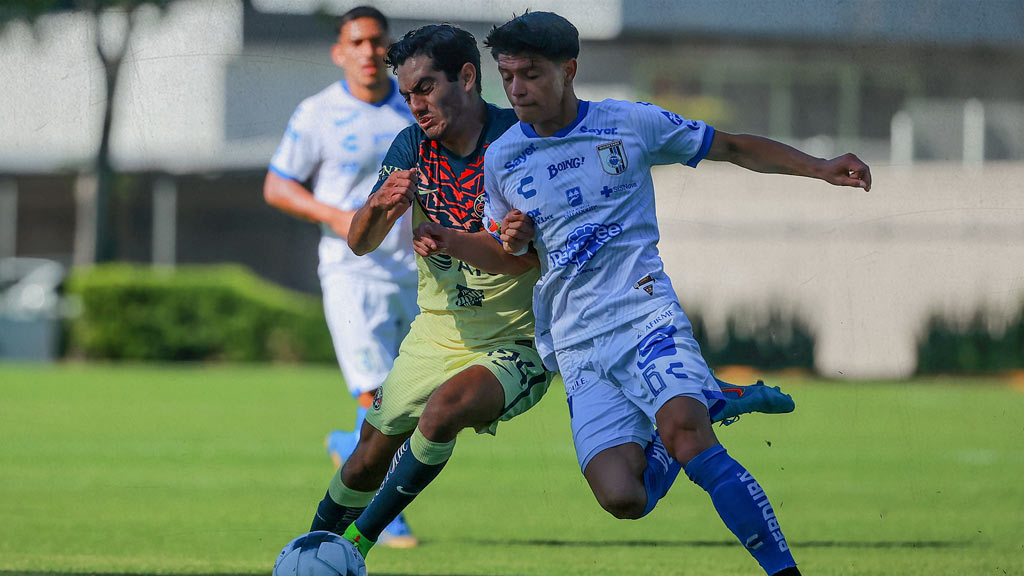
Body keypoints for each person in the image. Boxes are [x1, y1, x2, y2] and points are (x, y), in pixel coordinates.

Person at [309, 22, 797, 563]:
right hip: (440, 329)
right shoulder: (411, 148)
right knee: (364, 460)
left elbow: (553, 249)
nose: (414, 105)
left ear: (467, 78)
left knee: (443, 412)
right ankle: (306, 550)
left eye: (424, 88)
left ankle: (358, 545)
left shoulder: (513, 141)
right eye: (406, 95)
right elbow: (360, 243)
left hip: (520, 340)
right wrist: (377, 207)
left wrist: (512, 241)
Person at [478, 12, 872, 576]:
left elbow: (732, 146)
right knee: (623, 498)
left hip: (644, 316)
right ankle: (714, 399)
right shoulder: (502, 157)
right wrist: (511, 239)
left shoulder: (629, 124)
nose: (516, 89)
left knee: (688, 434)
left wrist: (821, 167)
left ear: (568, 71)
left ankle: (783, 569)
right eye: (508, 75)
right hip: (576, 342)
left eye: (531, 75)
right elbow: (511, 247)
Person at [263, 6, 418, 548]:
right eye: (357, 42)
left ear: (390, 48)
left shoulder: (415, 109)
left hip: (418, 274)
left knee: (419, 400)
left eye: (377, 42)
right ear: (340, 52)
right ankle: (383, 508)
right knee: (378, 399)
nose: (368, 52)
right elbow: (278, 185)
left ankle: (345, 443)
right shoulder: (318, 113)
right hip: (353, 274)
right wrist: (337, 216)